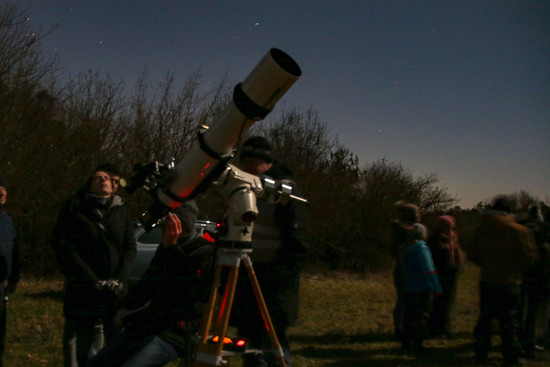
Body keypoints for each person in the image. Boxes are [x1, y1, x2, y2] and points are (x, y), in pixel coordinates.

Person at [88, 201, 215, 367]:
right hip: (153, 323)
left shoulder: (205, 252)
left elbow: (183, 294)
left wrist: (171, 248)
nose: (162, 229)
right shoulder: (167, 248)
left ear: (180, 225)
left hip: (177, 331)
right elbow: (148, 284)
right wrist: (121, 308)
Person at [232, 136, 311, 367]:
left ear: (267, 164)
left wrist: (277, 280)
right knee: (250, 349)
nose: (247, 168)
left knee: (273, 348)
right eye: (244, 162)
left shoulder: (285, 194)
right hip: (247, 280)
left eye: (253, 163)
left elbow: (299, 244)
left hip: (273, 285)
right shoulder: (242, 189)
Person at [52, 166, 137, 367]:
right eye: (99, 177)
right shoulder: (74, 206)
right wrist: (91, 280)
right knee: (76, 337)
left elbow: (129, 249)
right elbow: (64, 246)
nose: (105, 181)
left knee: (104, 339)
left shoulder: (121, 211)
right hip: (81, 288)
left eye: (111, 180)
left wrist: (120, 280)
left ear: (115, 188)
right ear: (90, 182)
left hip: (110, 293)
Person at [469, 195, 538, 366]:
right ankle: (511, 355)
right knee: (510, 320)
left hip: (487, 279)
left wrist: (488, 264)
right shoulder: (519, 231)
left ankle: (481, 349)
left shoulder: (480, 229)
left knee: (486, 316)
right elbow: (529, 258)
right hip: (510, 281)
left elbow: (474, 255)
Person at [401, 223, 442, 352]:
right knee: (422, 316)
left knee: (409, 316)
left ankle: (406, 342)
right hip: (423, 287)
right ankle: (418, 344)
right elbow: (429, 269)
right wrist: (436, 286)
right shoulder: (422, 249)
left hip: (409, 286)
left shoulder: (405, 249)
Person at [520, 205, 550, 358]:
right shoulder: (544, 241)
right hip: (541, 279)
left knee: (526, 313)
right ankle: (535, 341)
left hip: (525, 278)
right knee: (537, 314)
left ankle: (525, 340)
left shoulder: (522, 232)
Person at [427, 215, 464, 338]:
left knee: (448, 302)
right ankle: (437, 328)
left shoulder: (452, 239)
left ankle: (444, 327)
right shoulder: (434, 240)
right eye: (445, 225)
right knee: (439, 302)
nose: (447, 228)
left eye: (449, 226)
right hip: (439, 274)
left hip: (451, 274)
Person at [389, 201, 421, 341]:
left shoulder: (398, 230)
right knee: (404, 301)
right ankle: (401, 329)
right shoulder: (405, 232)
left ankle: (401, 328)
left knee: (403, 301)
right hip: (406, 269)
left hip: (403, 269)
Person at [0, 177, 20, 367]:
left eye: (4, 188)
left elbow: (15, 252)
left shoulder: (7, 221)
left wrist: (14, 278)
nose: (2, 193)